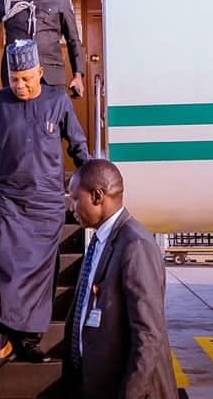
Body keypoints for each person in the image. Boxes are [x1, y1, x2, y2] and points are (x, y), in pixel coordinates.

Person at [0, 39, 90, 380]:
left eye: (26, 78)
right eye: (14, 79)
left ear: (40, 72)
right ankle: (0, 344)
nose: (20, 85)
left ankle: (29, 341)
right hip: (5, 199)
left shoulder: (57, 101)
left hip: (45, 202)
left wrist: (93, 179)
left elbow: (78, 146)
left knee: (40, 274)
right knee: (1, 268)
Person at [62, 159, 177, 399]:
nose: (71, 208)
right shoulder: (101, 240)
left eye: (75, 199)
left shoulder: (135, 245)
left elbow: (148, 335)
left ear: (97, 196)